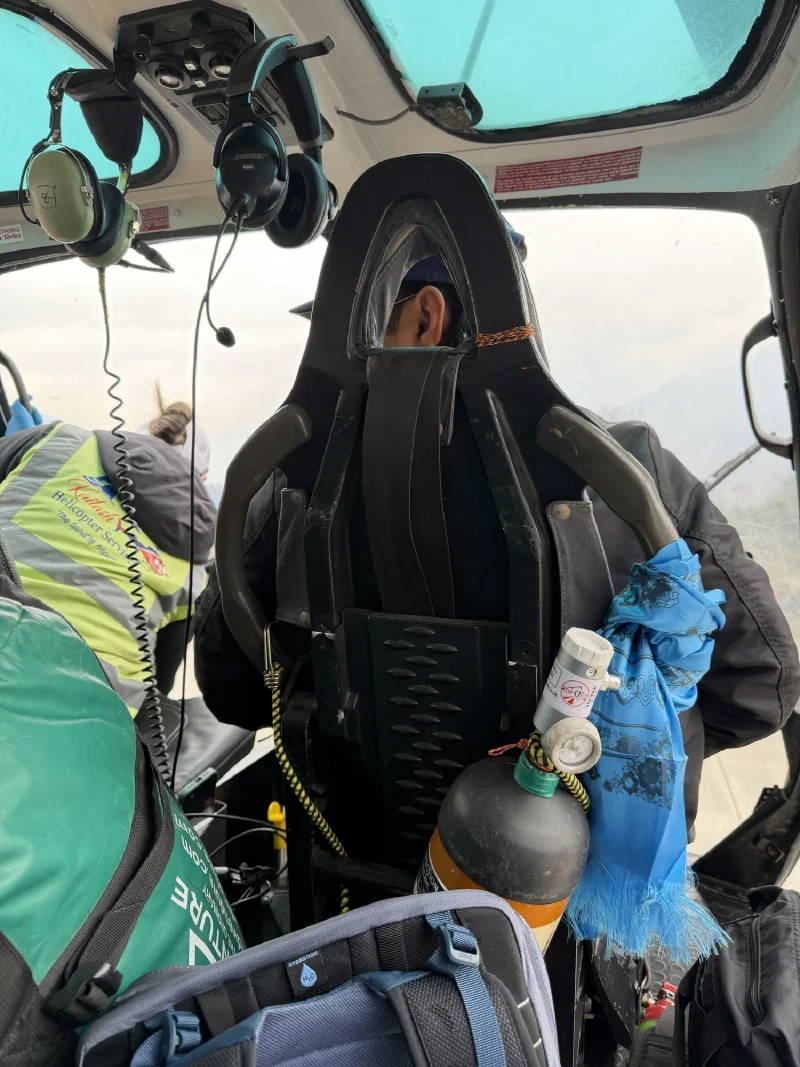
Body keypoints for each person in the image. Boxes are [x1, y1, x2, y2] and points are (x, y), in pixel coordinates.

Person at [193, 219, 800, 836]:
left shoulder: (288, 478)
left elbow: (231, 689)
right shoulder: (631, 475)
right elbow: (762, 686)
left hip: (345, 854)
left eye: (354, 334)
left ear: (428, 317)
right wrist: (625, 744)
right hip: (576, 892)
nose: (343, 360)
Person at [0, 389, 215, 715]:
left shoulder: (56, 440)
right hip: (87, 721)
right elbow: (157, 687)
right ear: (199, 479)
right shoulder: (195, 563)